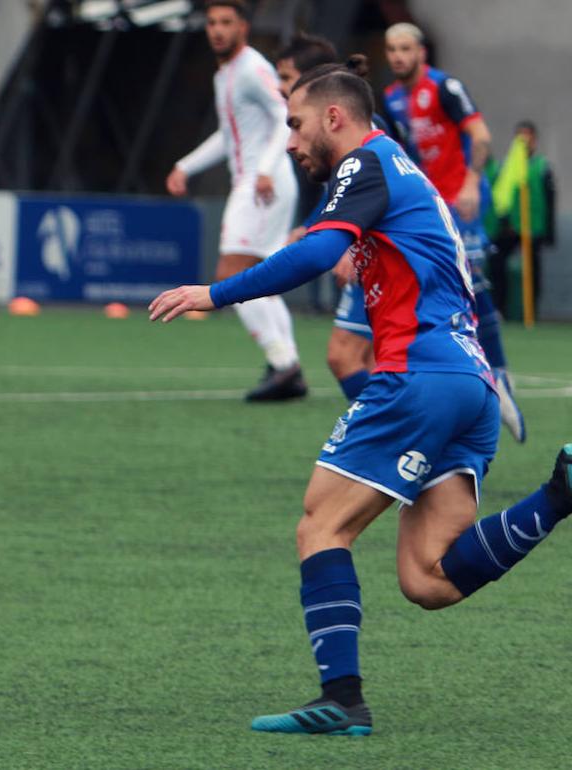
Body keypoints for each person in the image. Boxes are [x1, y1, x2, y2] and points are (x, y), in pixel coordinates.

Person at [150, 61, 572, 736]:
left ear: (335, 117)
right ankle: (559, 494)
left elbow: (319, 256)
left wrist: (215, 292)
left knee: (321, 524)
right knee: (429, 578)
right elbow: (349, 245)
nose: (289, 141)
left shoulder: (365, 163)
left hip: (417, 378)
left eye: (295, 124)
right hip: (469, 385)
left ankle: (342, 699)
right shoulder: (399, 169)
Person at [382, 22, 526, 443]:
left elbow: (480, 135)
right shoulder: (392, 98)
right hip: (430, 209)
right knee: (443, 292)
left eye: (405, 48)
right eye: (391, 49)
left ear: (421, 52)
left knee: (474, 285)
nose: (397, 56)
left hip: (461, 203)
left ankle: (500, 377)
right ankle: (466, 379)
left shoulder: (444, 87)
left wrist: (469, 183)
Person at [165, 0, 304, 402]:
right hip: (261, 181)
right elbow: (228, 135)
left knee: (231, 275)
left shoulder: (252, 68)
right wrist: (185, 165)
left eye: (226, 22)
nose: (217, 30)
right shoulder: (226, 73)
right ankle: (286, 364)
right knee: (263, 279)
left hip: (263, 183)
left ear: (243, 27)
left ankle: (283, 364)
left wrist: (265, 168)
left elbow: (285, 114)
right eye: (211, 23)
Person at [275, 34, 374, 402]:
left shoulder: (366, 146)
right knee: (373, 364)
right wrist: (311, 227)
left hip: (387, 265)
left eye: (286, 78)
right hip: (379, 260)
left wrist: (217, 294)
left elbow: (369, 200)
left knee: (346, 357)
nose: (279, 86)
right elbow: (344, 198)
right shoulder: (351, 149)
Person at [488, 120, 556, 318]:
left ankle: (531, 312)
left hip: (532, 227)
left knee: (533, 268)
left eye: (528, 137)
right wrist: (504, 223)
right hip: (510, 227)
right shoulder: (508, 166)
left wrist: (548, 233)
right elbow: (503, 196)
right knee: (497, 262)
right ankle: (499, 309)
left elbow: (549, 201)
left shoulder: (542, 166)